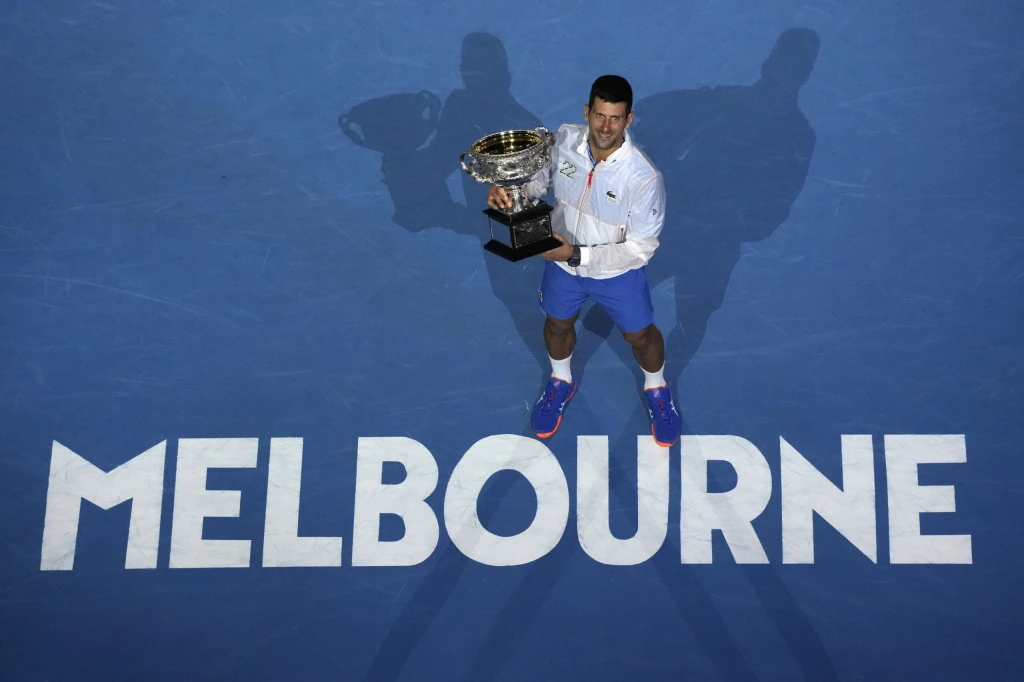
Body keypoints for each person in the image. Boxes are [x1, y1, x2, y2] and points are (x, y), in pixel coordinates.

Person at [487, 75, 681, 447]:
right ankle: (561, 380)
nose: (605, 127)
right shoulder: (564, 140)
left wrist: (578, 254)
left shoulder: (643, 178)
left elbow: (642, 247)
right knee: (558, 325)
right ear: (587, 112)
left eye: (615, 118)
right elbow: (539, 180)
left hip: (616, 273)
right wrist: (511, 191)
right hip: (562, 268)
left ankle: (657, 389)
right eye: (599, 116)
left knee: (639, 336)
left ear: (629, 120)